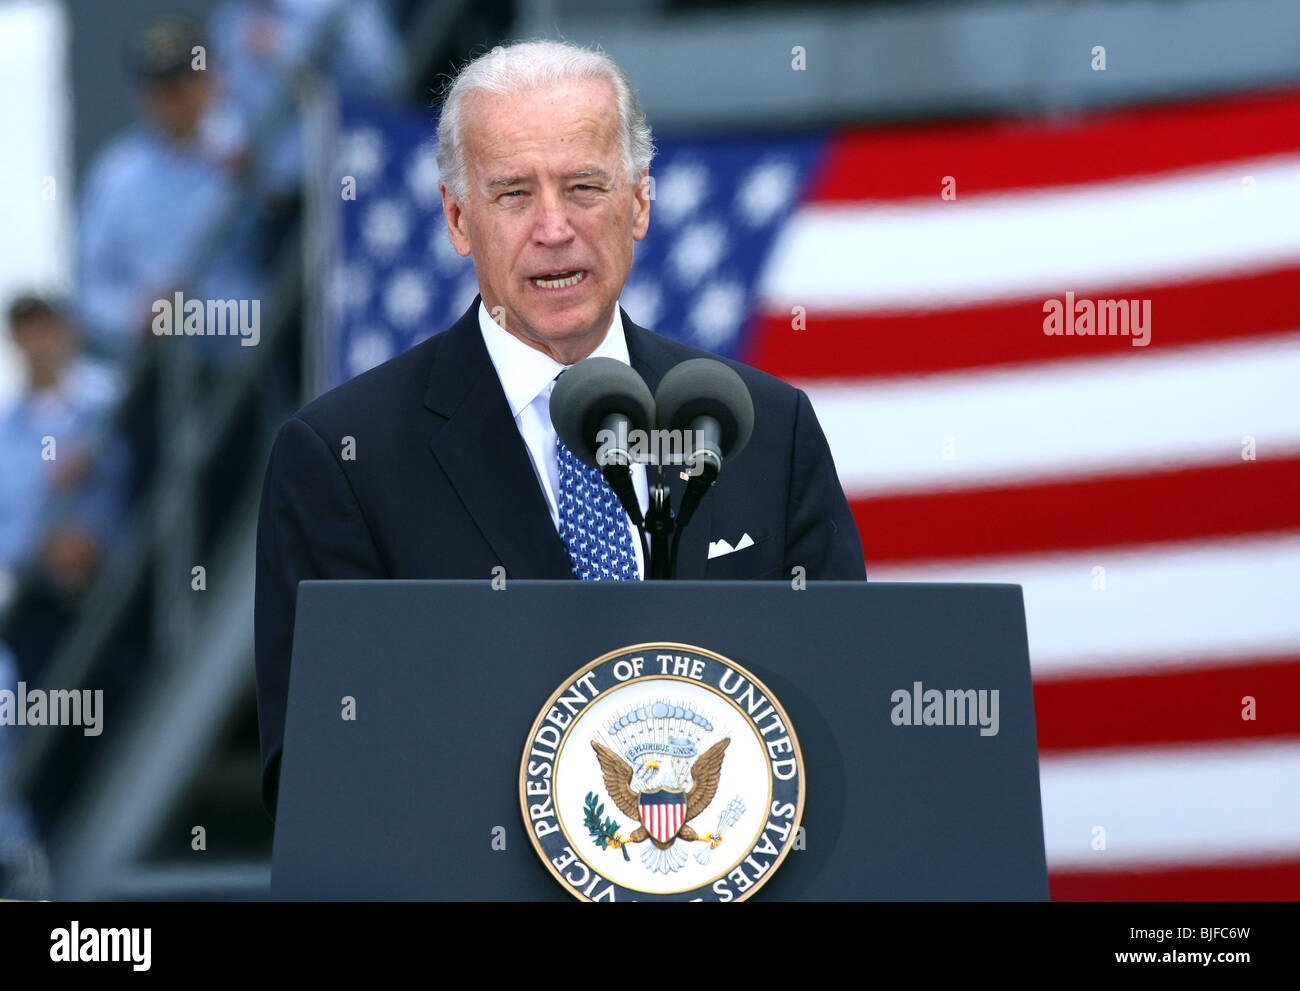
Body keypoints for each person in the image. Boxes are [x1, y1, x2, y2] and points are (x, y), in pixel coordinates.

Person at [254, 40, 865, 816]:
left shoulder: (766, 430)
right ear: (457, 218)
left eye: (583, 186)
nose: (553, 227)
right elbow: (323, 777)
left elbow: (844, 712)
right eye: (513, 193)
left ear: (640, 202)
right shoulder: (341, 459)